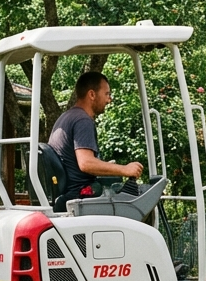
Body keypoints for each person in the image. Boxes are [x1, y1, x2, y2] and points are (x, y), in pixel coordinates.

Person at [48, 71, 143, 200]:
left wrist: (107, 167)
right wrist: (125, 169)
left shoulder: (66, 117)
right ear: (92, 94)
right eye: (107, 94)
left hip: (67, 193)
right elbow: (86, 163)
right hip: (78, 195)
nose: (109, 100)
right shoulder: (83, 120)